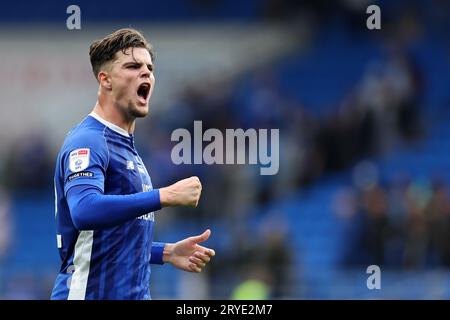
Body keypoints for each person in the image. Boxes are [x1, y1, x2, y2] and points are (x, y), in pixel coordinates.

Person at [51, 28, 215, 300]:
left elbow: (108, 241)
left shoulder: (126, 146)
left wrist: (166, 252)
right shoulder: (89, 141)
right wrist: (165, 196)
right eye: (133, 66)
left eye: (149, 68)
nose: (146, 73)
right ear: (105, 80)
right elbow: (84, 210)